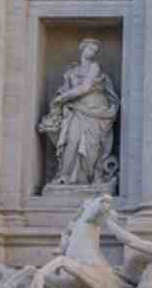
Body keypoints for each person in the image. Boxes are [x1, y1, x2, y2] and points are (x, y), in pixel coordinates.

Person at [39, 38, 119, 186]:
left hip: (95, 110)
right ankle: (64, 176)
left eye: (95, 51)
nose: (92, 52)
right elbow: (65, 89)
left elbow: (85, 88)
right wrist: (60, 99)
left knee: (91, 147)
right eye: (90, 49)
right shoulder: (72, 71)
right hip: (76, 110)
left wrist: (63, 97)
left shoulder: (95, 66)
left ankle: (86, 178)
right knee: (72, 140)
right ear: (82, 49)